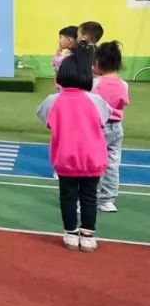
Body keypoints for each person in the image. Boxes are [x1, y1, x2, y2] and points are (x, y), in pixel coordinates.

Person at [36, 45, 110, 251]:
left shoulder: (53, 100)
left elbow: (46, 120)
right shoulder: (96, 100)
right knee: (89, 196)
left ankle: (70, 233)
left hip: (65, 157)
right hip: (92, 157)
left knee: (67, 196)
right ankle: (87, 235)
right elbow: (103, 120)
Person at [92, 41, 130, 214]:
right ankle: (107, 200)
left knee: (90, 164)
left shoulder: (95, 83)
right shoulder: (124, 84)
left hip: (97, 128)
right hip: (116, 128)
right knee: (113, 164)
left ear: (97, 63)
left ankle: (85, 198)